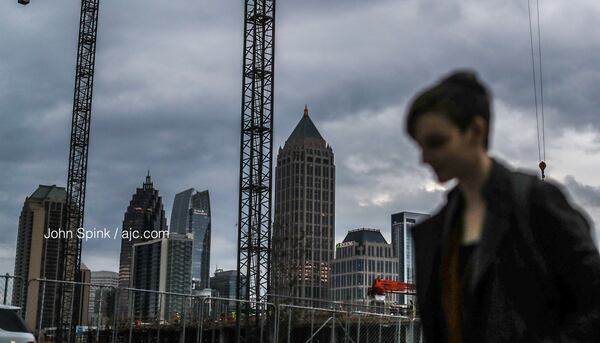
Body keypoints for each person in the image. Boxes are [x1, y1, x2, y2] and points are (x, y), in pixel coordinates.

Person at [405, 70, 600, 342]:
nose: (424, 158)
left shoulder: (535, 203)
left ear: (476, 130)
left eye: (436, 142)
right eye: (420, 145)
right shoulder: (436, 231)